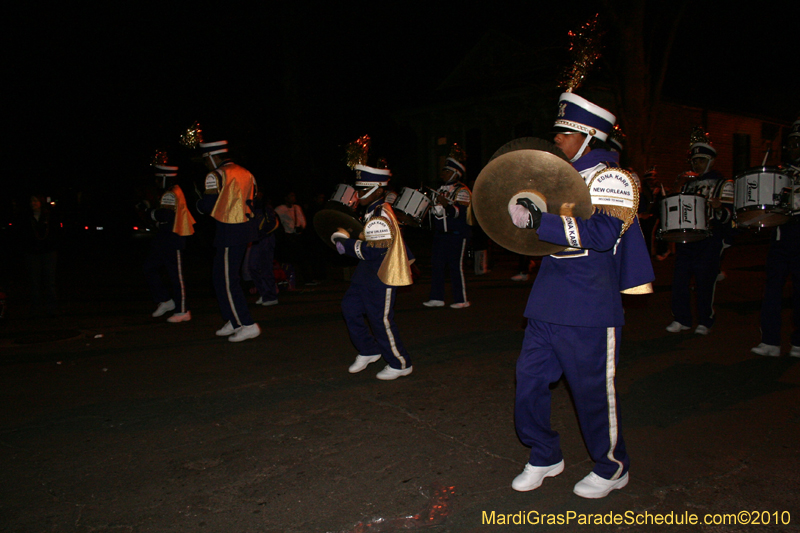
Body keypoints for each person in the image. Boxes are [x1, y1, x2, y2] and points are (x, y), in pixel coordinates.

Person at [508, 92, 654, 499]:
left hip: (590, 304)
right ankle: (544, 454)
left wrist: (544, 219)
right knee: (529, 380)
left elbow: (604, 236)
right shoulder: (558, 176)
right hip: (546, 302)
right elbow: (539, 233)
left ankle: (613, 467)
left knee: (591, 393)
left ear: (588, 135)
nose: (556, 137)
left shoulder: (613, 178)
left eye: (564, 131)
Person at [333, 136, 415, 380]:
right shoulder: (372, 210)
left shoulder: (380, 213)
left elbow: (371, 250)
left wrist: (343, 243)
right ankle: (369, 350)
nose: (358, 195)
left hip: (382, 273)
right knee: (350, 308)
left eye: (362, 190)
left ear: (378, 190)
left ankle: (401, 363)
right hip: (367, 272)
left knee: (381, 321)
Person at [185, 126, 261, 342]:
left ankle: (246, 323)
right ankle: (232, 319)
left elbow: (207, 206)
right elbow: (255, 199)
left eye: (206, 159)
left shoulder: (216, 174)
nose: (206, 164)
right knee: (220, 277)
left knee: (227, 280)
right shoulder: (246, 172)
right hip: (244, 228)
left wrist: (198, 202)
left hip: (229, 229)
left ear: (211, 156)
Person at [665, 127, 734, 335]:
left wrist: (719, 208)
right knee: (679, 280)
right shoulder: (688, 184)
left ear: (710, 161)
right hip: (687, 237)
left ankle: (706, 320)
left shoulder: (724, 184)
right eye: (694, 161)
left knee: (705, 282)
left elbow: (730, 217)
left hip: (709, 238)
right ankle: (682, 318)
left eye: (701, 160)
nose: (696, 164)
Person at [752, 119, 800, 358]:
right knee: (772, 288)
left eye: (797, 143)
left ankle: (798, 343)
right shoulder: (780, 172)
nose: (792, 148)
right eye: (790, 144)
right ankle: (770, 340)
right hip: (782, 233)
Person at [142, 152, 196, 322]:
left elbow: (165, 215)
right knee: (149, 267)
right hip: (165, 238)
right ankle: (165, 300)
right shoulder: (172, 191)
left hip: (172, 238)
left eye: (159, 179)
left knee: (176, 276)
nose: (157, 182)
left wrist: (149, 212)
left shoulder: (171, 192)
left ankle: (182, 310)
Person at [423, 144, 472, 309]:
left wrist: (447, 206)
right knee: (437, 265)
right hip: (440, 234)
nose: (442, 174)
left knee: (455, 267)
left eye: (446, 171)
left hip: (456, 234)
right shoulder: (439, 189)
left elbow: (461, 213)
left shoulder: (463, 191)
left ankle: (461, 299)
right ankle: (437, 297)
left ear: (455, 173)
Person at [19, 194, 60, 316]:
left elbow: (55, 231)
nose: (33, 203)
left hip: (48, 252)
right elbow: (22, 234)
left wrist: (52, 245)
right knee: (34, 281)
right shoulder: (27, 217)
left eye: (36, 201)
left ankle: (52, 307)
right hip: (32, 253)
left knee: (49, 281)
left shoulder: (48, 215)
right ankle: (35, 307)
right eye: (32, 201)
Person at [248, 191, 280, 307]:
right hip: (256, 240)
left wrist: (262, 233)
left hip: (266, 240)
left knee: (265, 267)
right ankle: (265, 293)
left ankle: (271, 296)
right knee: (252, 267)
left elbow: (274, 223)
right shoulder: (251, 206)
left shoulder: (266, 207)